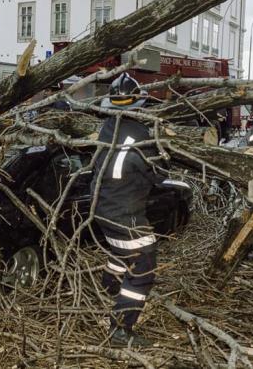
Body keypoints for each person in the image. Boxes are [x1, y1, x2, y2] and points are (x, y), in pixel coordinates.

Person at [92, 73, 166, 348]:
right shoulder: (141, 134)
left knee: (120, 250)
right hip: (126, 213)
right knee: (144, 265)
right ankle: (120, 328)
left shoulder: (107, 127)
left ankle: (110, 284)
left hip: (102, 206)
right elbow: (158, 174)